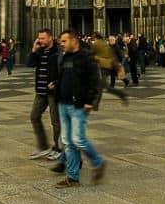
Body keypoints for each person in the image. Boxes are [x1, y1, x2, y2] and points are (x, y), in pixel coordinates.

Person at [55, 31, 106, 189]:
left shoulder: (86, 57)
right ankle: (72, 177)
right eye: (60, 41)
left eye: (64, 41)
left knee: (78, 140)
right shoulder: (64, 57)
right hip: (63, 103)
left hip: (78, 105)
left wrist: (91, 101)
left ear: (74, 40)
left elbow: (96, 81)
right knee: (68, 142)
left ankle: (98, 162)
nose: (61, 43)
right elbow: (62, 77)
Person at [27, 29, 61, 160]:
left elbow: (63, 71)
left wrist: (57, 83)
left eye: (42, 38)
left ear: (50, 38)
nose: (39, 40)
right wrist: (34, 50)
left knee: (56, 122)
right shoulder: (40, 51)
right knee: (34, 116)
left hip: (53, 92)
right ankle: (43, 146)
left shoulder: (58, 52)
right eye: (39, 38)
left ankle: (58, 148)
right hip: (40, 91)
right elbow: (30, 64)